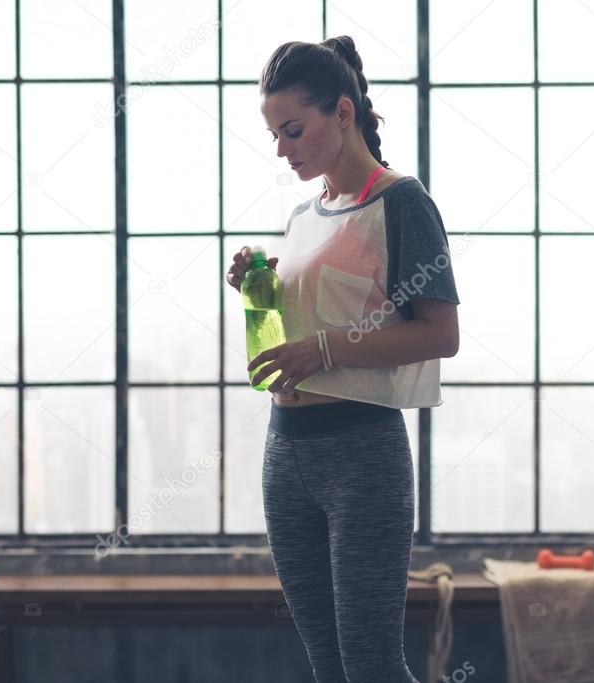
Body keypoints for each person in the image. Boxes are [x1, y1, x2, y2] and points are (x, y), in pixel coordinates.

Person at [225, 35, 461, 683]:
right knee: (329, 666)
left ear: (343, 114)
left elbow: (439, 333)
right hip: (286, 452)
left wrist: (322, 347)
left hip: (361, 452)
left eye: (293, 130)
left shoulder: (401, 203)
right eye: (273, 134)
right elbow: (314, 316)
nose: (282, 149)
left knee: (370, 664)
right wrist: (256, 285)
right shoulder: (306, 214)